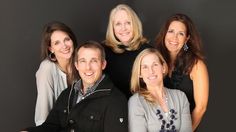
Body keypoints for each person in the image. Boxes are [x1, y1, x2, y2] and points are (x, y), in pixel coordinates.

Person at [22, 41, 128, 132]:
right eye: (83, 61)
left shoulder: (116, 100)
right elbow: (50, 127)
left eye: (93, 61)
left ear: (103, 64)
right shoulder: (67, 94)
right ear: (76, 65)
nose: (88, 67)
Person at [155, 13, 209, 131]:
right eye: (171, 31)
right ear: (165, 33)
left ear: (187, 39)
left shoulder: (196, 65)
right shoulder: (156, 60)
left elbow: (201, 108)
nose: (174, 38)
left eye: (181, 34)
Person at [128, 48, 192, 132]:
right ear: (139, 73)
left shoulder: (180, 97)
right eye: (145, 67)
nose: (151, 71)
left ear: (163, 68)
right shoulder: (136, 102)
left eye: (155, 65)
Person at [103, 4, 152, 98]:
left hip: (141, 106)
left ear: (135, 24)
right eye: (118, 24)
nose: (123, 28)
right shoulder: (103, 52)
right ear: (112, 28)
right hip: (112, 106)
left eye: (128, 23)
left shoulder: (147, 51)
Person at [34, 21, 78, 126]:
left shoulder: (81, 62)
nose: (64, 46)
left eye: (66, 39)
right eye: (57, 43)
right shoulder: (47, 68)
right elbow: (43, 113)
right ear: (51, 48)